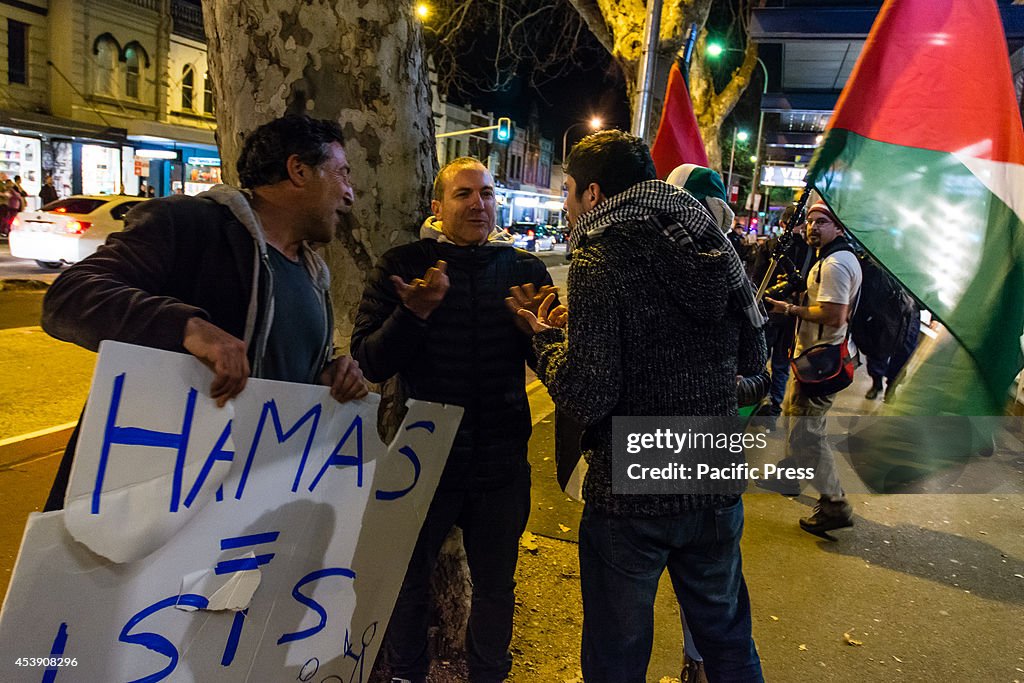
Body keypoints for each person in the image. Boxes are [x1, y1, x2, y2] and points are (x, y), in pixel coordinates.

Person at [512, 131, 766, 683]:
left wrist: (545, 343)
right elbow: (752, 358)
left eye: (569, 190)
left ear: (594, 194)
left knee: (617, 656)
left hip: (634, 496)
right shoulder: (709, 243)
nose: (565, 203)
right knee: (728, 642)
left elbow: (589, 393)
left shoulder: (601, 257)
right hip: (711, 478)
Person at [40, 115, 368, 510]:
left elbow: (279, 371)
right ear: (298, 170)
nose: (350, 195)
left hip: (245, 506)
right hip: (150, 505)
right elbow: (69, 296)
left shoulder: (313, 274)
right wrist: (188, 327)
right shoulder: (190, 224)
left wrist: (328, 374)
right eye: (343, 174)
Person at [351, 157, 553, 683]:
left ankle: (489, 674)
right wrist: (412, 313)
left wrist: (545, 334)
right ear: (437, 208)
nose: (478, 204)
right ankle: (406, 674)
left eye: (487, 193)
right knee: (406, 580)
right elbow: (370, 361)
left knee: (496, 586)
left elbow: (553, 367)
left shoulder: (523, 271)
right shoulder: (401, 265)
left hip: (500, 460)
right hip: (422, 458)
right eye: (464, 194)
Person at [764, 201, 862, 535]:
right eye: (809, 221)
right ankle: (789, 477)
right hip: (810, 356)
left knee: (809, 433)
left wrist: (790, 308)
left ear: (839, 228)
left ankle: (834, 503)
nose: (812, 227)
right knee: (795, 416)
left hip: (820, 361)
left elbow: (834, 315)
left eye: (821, 222)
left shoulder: (834, 264)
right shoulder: (833, 258)